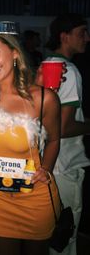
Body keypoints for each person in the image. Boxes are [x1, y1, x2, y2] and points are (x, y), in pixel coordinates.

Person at [0, 21, 61, 255]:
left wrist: (46, 169)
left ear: (15, 53)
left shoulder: (43, 98)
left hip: (34, 197)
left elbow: (55, 139)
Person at [45, 13, 90, 255]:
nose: (87, 38)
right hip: (65, 163)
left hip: (48, 163)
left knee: (53, 231)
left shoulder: (46, 66)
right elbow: (64, 128)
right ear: (65, 36)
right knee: (66, 235)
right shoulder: (69, 71)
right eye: (82, 32)